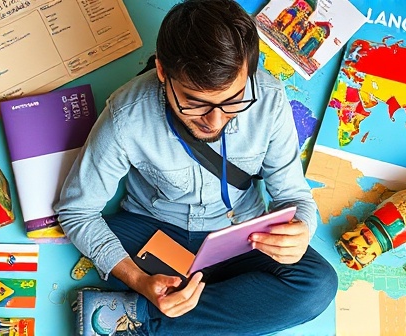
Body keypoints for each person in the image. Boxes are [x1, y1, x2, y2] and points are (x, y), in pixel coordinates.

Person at [54, 0, 337, 334]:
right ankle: (189, 308)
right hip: (154, 228)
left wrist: (301, 228)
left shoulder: (270, 100)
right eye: (195, 102)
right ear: (162, 71)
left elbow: (293, 195)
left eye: (233, 100)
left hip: (241, 236)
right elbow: (77, 212)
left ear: (249, 73)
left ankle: (141, 318)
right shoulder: (126, 115)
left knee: (317, 286)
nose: (214, 121)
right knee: (101, 241)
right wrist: (139, 279)